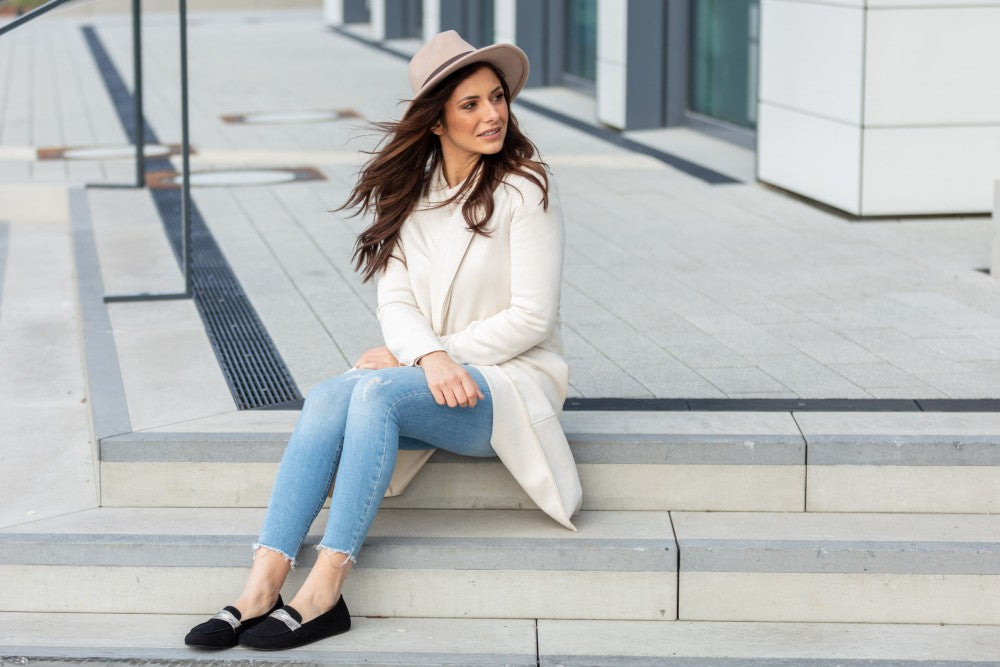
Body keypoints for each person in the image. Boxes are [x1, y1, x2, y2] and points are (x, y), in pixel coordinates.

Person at [184, 30, 581, 652]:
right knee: (329, 394)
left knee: (373, 393)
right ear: (436, 122)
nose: (492, 114)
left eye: (497, 97)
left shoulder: (525, 188)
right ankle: (263, 583)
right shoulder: (410, 197)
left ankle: (325, 590)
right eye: (471, 104)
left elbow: (531, 318)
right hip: (438, 374)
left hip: (508, 384)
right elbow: (395, 302)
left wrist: (430, 356)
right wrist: (425, 356)